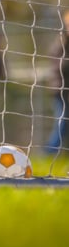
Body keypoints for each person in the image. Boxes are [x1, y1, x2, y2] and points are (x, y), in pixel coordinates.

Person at [46, 10, 69, 153]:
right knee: (62, 122)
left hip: (63, 87)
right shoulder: (62, 41)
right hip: (60, 88)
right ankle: (50, 152)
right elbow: (62, 66)